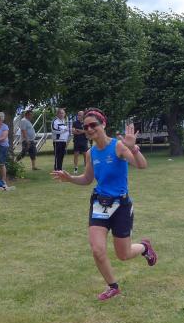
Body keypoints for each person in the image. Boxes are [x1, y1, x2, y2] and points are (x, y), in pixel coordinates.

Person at [51, 108, 157, 301]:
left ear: (103, 124)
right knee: (97, 250)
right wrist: (70, 178)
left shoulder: (118, 146)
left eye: (94, 125)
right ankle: (112, 286)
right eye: (86, 127)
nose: (90, 129)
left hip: (121, 206)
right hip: (100, 204)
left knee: (123, 254)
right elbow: (87, 179)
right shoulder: (90, 153)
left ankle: (144, 247)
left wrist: (133, 148)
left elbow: (141, 165)